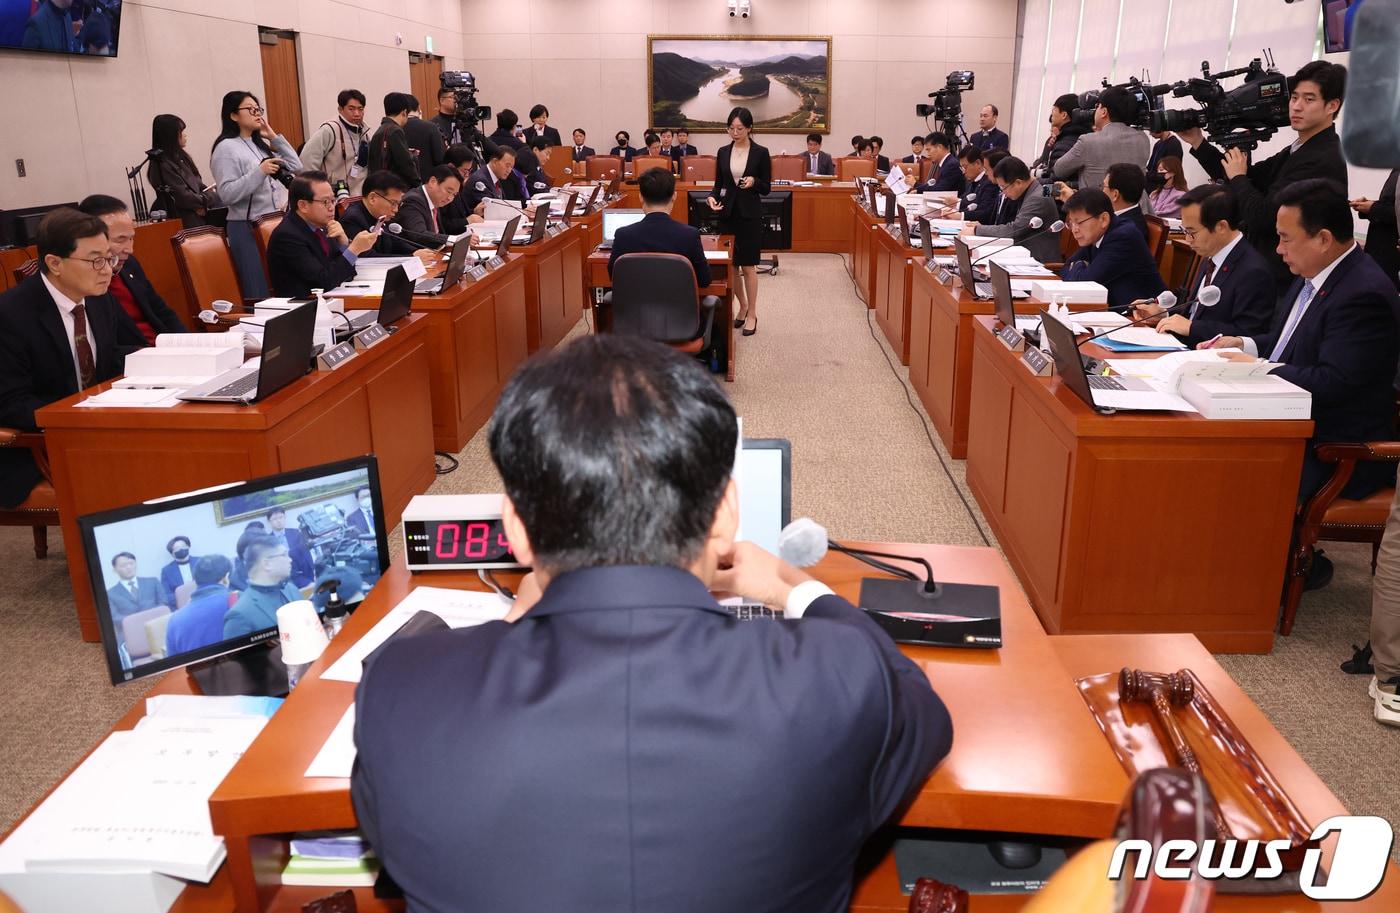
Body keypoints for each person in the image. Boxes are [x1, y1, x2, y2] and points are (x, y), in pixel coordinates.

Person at [351, 335, 953, 913]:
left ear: (516, 529)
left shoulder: (401, 690)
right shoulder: (838, 678)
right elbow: (920, 709)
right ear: (724, 519)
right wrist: (793, 589)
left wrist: (515, 618)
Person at [1200, 179, 1400, 503]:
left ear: (1322, 239)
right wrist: (1243, 344)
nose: (1278, 249)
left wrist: (1257, 368)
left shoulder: (1363, 295)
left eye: (1285, 239)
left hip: (1333, 448)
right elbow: (1289, 345)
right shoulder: (1315, 272)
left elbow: (1332, 381)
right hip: (1290, 424)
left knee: (1224, 478)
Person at [0, 209, 145, 509]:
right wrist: (82, 417)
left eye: (109, 257)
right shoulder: (11, 316)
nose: (107, 269)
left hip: (96, 427)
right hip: (38, 444)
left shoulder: (99, 299)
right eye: (95, 260)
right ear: (54, 263)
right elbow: (12, 404)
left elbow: (114, 356)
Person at [1181, 60, 1350, 291]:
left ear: (1332, 106)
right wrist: (1198, 142)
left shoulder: (1320, 157)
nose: (1297, 107)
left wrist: (1239, 179)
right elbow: (1245, 174)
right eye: (1294, 98)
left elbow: (1264, 218)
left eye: (1309, 99)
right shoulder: (1299, 147)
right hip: (1269, 272)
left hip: (1287, 279)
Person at [1132, 185, 1275, 348]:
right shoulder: (1211, 255)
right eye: (1184, 230)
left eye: (1192, 232)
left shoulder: (1253, 271)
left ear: (1221, 226)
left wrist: (1192, 328)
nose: (1188, 238)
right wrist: (1163, 313)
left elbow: (1247, 335)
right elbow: (1194, 311)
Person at [210, 90, 303, 298]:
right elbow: (226, 194)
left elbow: (297, 166)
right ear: (233, 115)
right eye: (250, 109)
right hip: (245, 226)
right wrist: (259, 172)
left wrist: (273, 137)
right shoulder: (226, 148)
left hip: (272, 224)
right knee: (258, 289)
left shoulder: (260, 145)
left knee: (279, 284)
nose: (257, 114)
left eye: (259, 109)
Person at [77, 195, 187, 342]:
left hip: (163, 346)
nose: (129, 249)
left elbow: (161, 310)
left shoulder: (129, 264)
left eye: (131, 238)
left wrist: (187, 342)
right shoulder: (84, 282)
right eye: (120, 240)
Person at [707, 107, 770, 337]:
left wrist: (754, 181)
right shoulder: (723, 151)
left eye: (739, 128)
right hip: (728, 214)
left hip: (750, 215)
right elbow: (718, 184)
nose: (735, 132)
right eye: (731, 128)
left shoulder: (761, 152)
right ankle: (742, 306)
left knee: (748, 266)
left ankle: (752, 313)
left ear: (749, 128)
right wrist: (712, 197)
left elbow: (767, 187)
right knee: (731, 266)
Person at [266, 171, 377, 298]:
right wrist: (354, 249)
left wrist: (344, 244)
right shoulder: (287, 236)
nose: (331, 208)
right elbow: (323, 282)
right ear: (303, 206)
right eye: (325, 202)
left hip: (331, 300)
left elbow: (345, 273)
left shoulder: (322, 225)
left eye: (333, 200)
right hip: (304, 308)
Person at [1060, 188, 1167, 311]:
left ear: (1104, 219)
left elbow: (1086, 283)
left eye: (1079, 223)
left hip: (1141, 317)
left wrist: (1078, 266)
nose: (1074, 229)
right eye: (1071, 223)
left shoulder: (1123, 237)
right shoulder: (1095, 234)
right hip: (1109, 310)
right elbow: (1066, 267)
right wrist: (1080, 267)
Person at [608, 168, 711, 288]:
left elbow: (614, 275)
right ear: (674, 196)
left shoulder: (623, 235)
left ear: (640, 197)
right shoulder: (689, 235)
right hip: (677, 305)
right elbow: (704, 280)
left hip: (636, 305)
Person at [1053, 87, 1151, 195]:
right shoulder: (1143, 139)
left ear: (1104, 112)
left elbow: (1059, 170)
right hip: (1136, 209)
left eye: (1097, 106)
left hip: (1097, 208)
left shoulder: (1088, 141)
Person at [969, 157, 1061, 264]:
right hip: (1023, 255)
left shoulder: (1037, 198)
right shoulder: (1034, 189)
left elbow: (1014, 230)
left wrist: (977, 230)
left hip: (1040, 261)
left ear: (1018, 182)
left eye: (1003, 187)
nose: (1003, 193)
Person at [339, 170, 438, 261]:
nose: (396, 210)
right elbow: (368, 257)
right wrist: (411, 258)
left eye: (398, 204)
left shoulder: (380, 215)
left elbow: (395, 242)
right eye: (393, 203)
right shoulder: (352, 219)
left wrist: (414, 252)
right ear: (372, 198)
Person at [222, 535, 303, 638]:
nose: (290, 560)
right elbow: (237, 654)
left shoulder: (291, 589)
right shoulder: (240, 614)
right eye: (284, 555)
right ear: (267, 564)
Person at [148, 114, 219, 227]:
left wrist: (207, 200)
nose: (185, 135)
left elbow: (199, 185)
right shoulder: (161, 164)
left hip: (200, 217)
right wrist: (206, 200)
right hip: (184, 221)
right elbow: (183, 197)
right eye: (181, 132)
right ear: (170, 136)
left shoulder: (181, 158)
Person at [300, 89, 371, 196]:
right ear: (340, 109)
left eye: (360, 109)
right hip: (334, 196)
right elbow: (307, 162)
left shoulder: (363, 131)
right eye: (351, 109)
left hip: (358, 196)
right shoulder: (329, 129)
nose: (357, 113)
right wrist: (319, 191)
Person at [164, 555, 235, 656]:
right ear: (226, 578)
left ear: (196, 580)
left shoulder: (174, 620)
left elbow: (173, 665)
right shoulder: (237, 600)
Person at [393, 164, 463, 247]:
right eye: (448, 191)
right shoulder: (413, 200)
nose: (450, 198)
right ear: (433, 182)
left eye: (454, 195)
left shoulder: (435, 200)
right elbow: (418, 234)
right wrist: (455, 240)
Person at [1352, 169, 1399, 290]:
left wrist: (1372, 208)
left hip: (1391, 257)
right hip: (1378, 253)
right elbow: (1392, 204)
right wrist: (1368, 205)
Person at [367, 92, 421, 189]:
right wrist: (418, 185)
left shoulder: (381, 130)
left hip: (378, 185)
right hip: (393, 187)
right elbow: (405, 164)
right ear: (404, 112)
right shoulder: (395, 131)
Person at [105, 553, 171, 625]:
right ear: (115, 570)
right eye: (123, 565)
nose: (128, 567)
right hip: (130, 631)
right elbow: (115, 617)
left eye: (131, 563)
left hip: (157, 624)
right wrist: (137, 621)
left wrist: (150, 617)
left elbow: (164, 603)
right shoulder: (110, 594)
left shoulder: (153, 582)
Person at [1038, 95, 1089, 179]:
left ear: (1064, 115)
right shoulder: (1083, 135)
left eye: (1054, 110)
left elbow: (1055, 180)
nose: (1052, 114)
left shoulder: (1065, 142)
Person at [461, 145, 516, 217]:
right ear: (495, 162)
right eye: (507, 165)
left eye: (511, 167)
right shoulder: (480, 180)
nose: (509, 170)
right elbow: (491, 211)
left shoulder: (494, 177)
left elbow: (504, 204)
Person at [267, 507, 315, 587]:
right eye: (275, 519)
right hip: (283, 575)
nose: (279, 521)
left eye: (281, 517)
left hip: (302, 571)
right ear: (269, 521)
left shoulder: (295, 533)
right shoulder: (268, 540)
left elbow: (306, 555)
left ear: (285, 517)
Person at [439, 144, 482, 234]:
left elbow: (459, 214)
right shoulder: (441, 189)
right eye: (465, 171)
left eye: (469, 171)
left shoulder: (459, 185)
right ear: (451, 166)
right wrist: (467, 221)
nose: (467, 175)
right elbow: (442, 225)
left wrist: (474, 212)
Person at [404, 96, 446, 183]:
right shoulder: (431, 127)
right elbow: (439, 158)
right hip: (428, 181)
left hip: (403, 184)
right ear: (418, 108)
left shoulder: (395, 129)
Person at [1102, 162, 1149, 238]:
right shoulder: (1124, 217)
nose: (1102, 191)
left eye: (1104, 186)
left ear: (1115, 194)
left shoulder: (1126, 231)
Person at [956, 147, 1000, 223]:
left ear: (978, 163)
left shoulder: (990, 182)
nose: (963, 172)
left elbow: (985, 212)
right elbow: (966, 199)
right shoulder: (971, 180)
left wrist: (961, 215)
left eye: (965, 167)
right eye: (962, 168)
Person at [1148, 156, 1188, 220]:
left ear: (1173, 172)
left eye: (1161, 170)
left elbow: (1166, 214)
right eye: (1157, 170)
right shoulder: (1154, 193)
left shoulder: (1181, 196)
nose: (1158, 173)